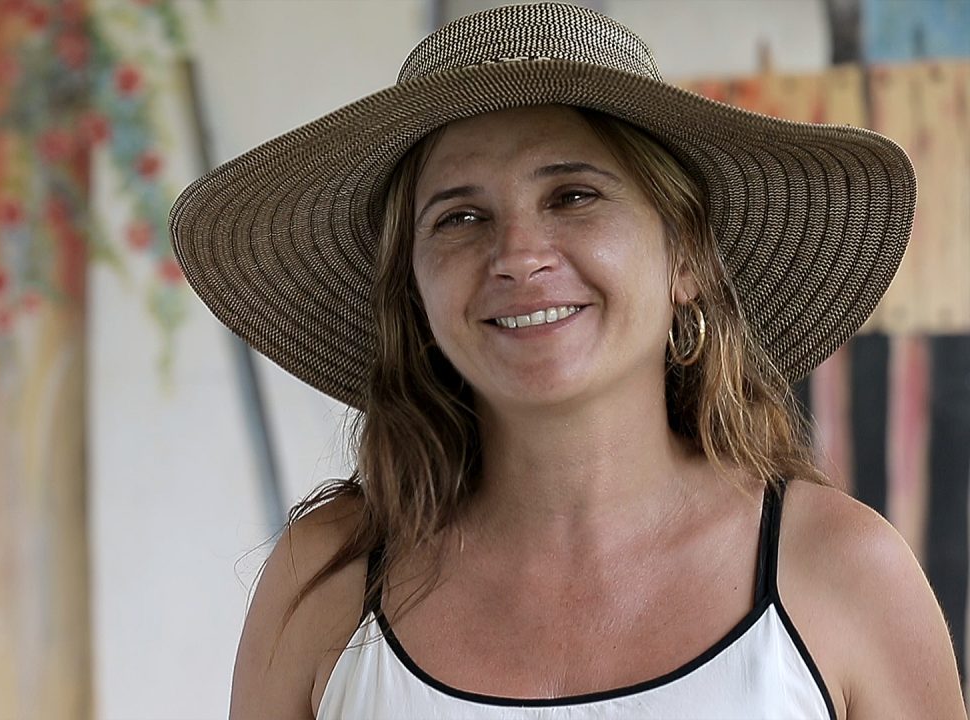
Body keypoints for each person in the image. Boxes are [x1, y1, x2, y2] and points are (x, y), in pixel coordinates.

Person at [170, 3, 965, 718]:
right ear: (412, 293)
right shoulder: (327, 584)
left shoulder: (841, 573)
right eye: (461, 216)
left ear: (684, 256)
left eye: (573, 196)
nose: (517, 255)